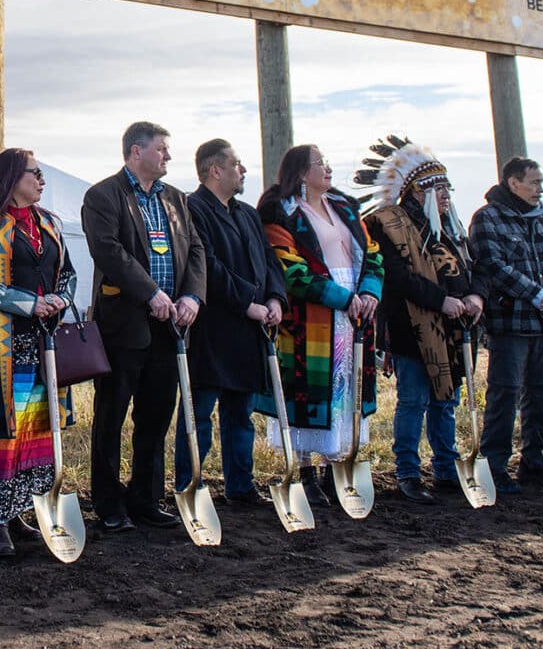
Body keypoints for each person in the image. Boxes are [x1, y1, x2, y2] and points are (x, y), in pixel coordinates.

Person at [83, 122, 206, 532]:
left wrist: (191, 296)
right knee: (111, 416)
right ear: (136, 152)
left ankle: (146, 498)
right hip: (124, 326)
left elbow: (196, 249)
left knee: (156, 416)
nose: (168, 157)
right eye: (162, 150)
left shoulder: (176, 199)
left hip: (169, 328)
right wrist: (150, 292)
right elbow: (109, 251)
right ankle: (108, 502)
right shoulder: (103, 195)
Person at [0, 148, 77, 557]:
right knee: (0, 430)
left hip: (43, 342)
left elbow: (70, 274)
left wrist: (60, 299)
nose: (42, 180)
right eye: (35, 173)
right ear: (12, 177)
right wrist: (26, 303)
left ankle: (20, 509)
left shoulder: (49, 224)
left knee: (35, 428)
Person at [353, 138, 483, 504]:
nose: (445, 195)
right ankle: (408, 472)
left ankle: (446, 468)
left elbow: (474, 267)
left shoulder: (451, 227)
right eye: (437, 188)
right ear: (417, 190)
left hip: (455, 330)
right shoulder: (387, 223)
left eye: (447, 188)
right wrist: (442, 301)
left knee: (446, 402)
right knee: (413, 401)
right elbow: (396, 276)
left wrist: (474, 296)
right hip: (410, 327)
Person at [254, 145, 383, 508]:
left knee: (345, 390)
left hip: (355, 312)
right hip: (311, 317)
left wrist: (371, 291)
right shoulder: (281, 212)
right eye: (320, 163)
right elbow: (288, 268)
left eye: (327, 161)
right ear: (300, 171)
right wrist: (340, 297)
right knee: (309, 392)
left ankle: (335, 469)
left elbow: (371, 252)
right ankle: (305, 471)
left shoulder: (344, 207)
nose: (328, 168)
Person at [177, 139, 285, 507]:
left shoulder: (246, 213)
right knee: (200, 414)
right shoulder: (192, 209)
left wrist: (274, 298)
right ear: (215, 170)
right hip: (212, 328)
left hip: (249, 331)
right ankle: (188, 485)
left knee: (241, 414)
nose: (244, 171)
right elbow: (206, 264)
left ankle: (241, 487)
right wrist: (248, 303)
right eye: (237, 164)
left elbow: (269, 259)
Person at [468, 157, 543, 495]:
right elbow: (492, 266)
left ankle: (535, 461)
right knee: (505, 394)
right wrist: (537, 293)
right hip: (510, 322)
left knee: (541, 394)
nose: (540, 188)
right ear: (513, 183)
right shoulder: (488, 218)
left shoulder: (540, 219)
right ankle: (494, 465)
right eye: (535, 182)